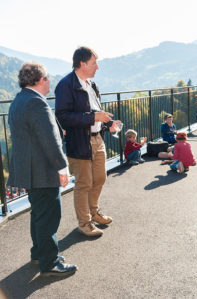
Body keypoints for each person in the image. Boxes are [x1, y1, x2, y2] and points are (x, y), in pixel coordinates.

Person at [8, 62, 77, 277]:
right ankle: (50, 262)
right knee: (49, 216)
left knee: (38, 214)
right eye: (47, 77)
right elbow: (48, 141)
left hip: (29, 169)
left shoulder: (19, 100)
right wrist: (62, 167)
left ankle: (39, 253)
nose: (49, 81)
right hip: (43, 170)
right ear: (39, 80)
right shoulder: (37, 103)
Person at [55, 46, 120, 237]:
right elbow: (63, 117)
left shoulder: (91, 84)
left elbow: (95, 114)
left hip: (97, 139)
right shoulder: (66, 85)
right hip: (79, 142)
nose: (97, 67)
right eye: (94, 63)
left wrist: (108, 124)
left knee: (100, 178)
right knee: (84, 184)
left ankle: (94, 212)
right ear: (82, 63)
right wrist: (93, 118)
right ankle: (84, 223)